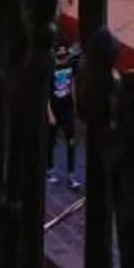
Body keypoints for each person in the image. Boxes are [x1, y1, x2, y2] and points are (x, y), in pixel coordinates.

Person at [46, 43, 81, 189]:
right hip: (54, 107)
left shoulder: (71, 66)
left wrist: (74, 104)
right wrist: (50, 114)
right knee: (51, 141)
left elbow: (72, 83)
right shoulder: (50, 69)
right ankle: (50, 170)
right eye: (61, 56)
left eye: (65, 56)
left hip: (66, 107)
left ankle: (71, 175)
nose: (63, 59)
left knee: (71, 141)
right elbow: (46, 94)